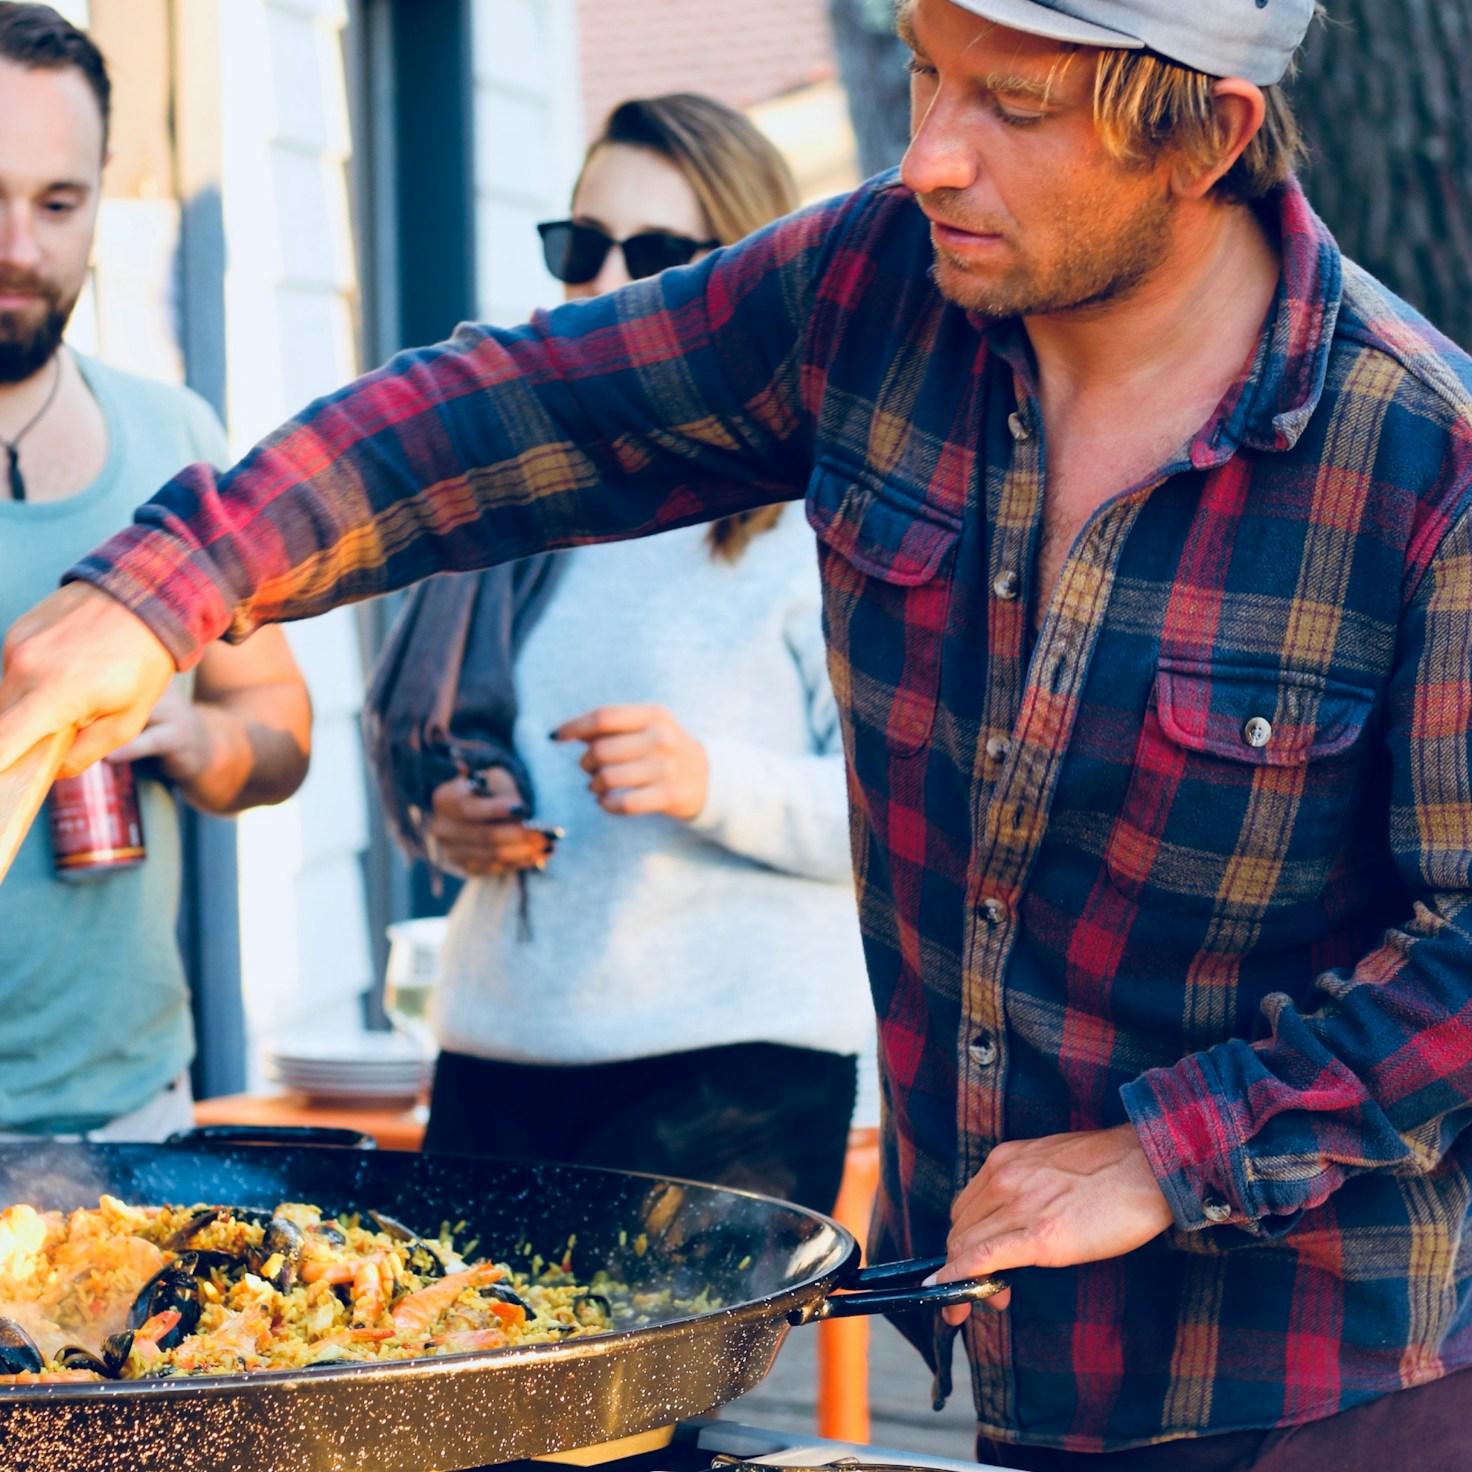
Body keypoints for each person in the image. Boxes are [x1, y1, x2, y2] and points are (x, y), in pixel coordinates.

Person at [3, 0, 1472, 1463]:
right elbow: (528, 406)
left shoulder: (1426, 463)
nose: (929, 158)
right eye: (925, 75)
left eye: (1012, 105)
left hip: (1329, 1372)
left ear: (1205, 137)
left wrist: (1170, 1150)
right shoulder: (871, 288)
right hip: (1020, 1332)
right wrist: (164, 588)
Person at [367, 94, 871, 1213]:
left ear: (743, 277)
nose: (599, 283)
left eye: (650, 254)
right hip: (501, 1051)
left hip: (732, 1075)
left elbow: (907, 815)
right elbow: (432, 745)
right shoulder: (509, 504)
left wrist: (708, 780)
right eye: (580, 245)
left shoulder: (818, 521)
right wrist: (453, 824)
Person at [0, 4, 310, 1140]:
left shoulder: (174, 438)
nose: (20, 247)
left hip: (135, 1120)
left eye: (58, 203)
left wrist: (201, 741)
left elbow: (279, 724)